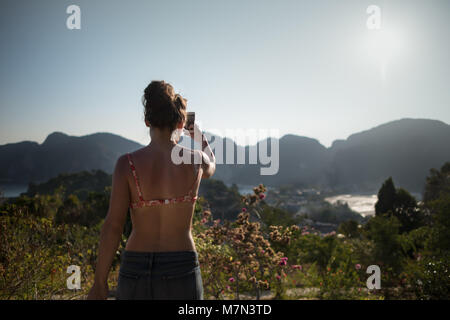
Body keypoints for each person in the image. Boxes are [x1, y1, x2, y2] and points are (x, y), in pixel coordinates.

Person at [87, 80, 216, 300]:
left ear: (147, 121)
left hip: (136, 267)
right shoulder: (196, 160)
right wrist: (197, 133)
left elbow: (113, 226)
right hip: (182, 265)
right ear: (180, 123)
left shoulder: (126, 164)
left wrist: (100, 283)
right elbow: (212, 164)